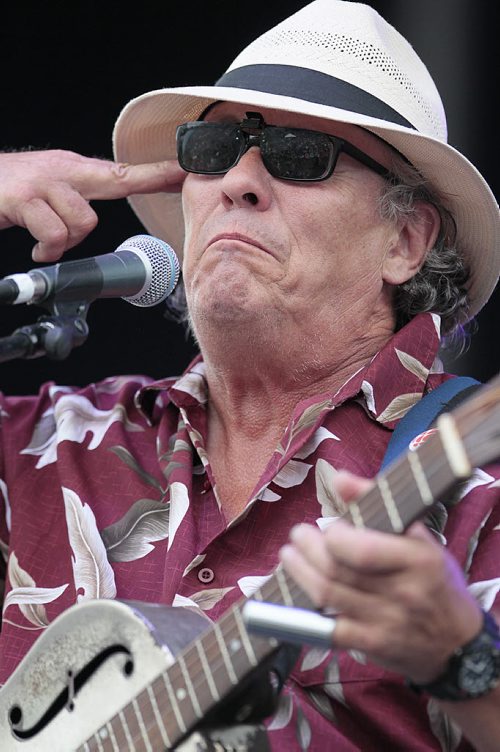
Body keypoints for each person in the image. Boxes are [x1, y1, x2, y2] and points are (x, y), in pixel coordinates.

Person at [0, 1, 499, 750]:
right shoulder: (40, 444)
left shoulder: (479, 487)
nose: (238, 179)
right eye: (212, 148)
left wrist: (465, 664)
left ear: (405, 239)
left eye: (300, 156)